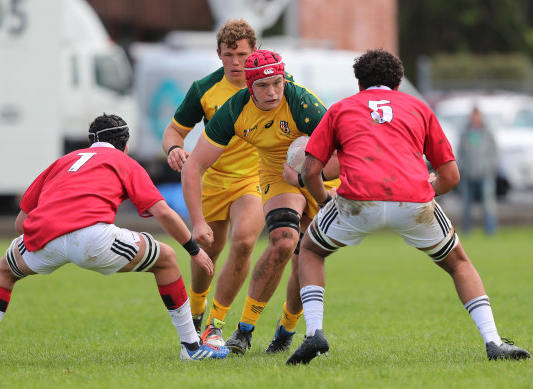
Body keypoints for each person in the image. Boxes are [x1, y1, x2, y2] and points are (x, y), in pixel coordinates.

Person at [284, 48, 530, 365]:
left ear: (359, 84)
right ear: (398, 85)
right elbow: (451, 176)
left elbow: (311, 171)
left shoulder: (341, 108)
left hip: (358, 200)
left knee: (311, 250)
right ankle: (494, 341)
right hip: (412, 199)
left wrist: (323, 201)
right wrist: (427, 189)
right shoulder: (418, 107)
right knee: (458, 263)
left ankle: (314, 333)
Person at [0, 113, 229, 366]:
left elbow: (21, 223)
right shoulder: (124, 162)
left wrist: (53, 237)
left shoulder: (62, 161)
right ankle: (192, 348)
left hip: (42, 239)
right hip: (91, 238)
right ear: (125, 144)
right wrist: (193, 251)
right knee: (167, 258)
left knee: (4, 272)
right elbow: (164, 212)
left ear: (91, 141)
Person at [181, 49, 340, 355]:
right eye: (263, 86)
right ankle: (244, 330)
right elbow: (193, 166)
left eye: (277, 83)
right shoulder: (234, 111)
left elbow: (341, 155)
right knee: (283, 241)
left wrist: (306, 177)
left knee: (304, 256)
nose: (272, 92)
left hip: (319, 172)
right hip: (275, 173)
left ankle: (287, 330)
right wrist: (198, 222)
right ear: (249, 87)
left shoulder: (303, 103)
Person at [161, 19, 264, 347]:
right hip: (212, 182)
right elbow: (173, 131)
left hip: (253, 180)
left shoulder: (269, 85)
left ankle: (216, 324)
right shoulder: (203, 88)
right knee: (208, 251)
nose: (236, 62)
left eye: (243, 55)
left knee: (245, 241)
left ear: (255, 53)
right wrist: (175, 149)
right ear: (218, 54)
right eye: (229, 54)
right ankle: (197, 309)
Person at [456, 106, 498, 235]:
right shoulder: (465, 133)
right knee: (466, 206)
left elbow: (494, 153)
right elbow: (460, 153)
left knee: (488, 205)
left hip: (485, 175)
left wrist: (489, 168)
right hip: (468, 175)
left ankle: (490, 231)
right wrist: (462, 168)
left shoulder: (487, 132)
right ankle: (466, 231)